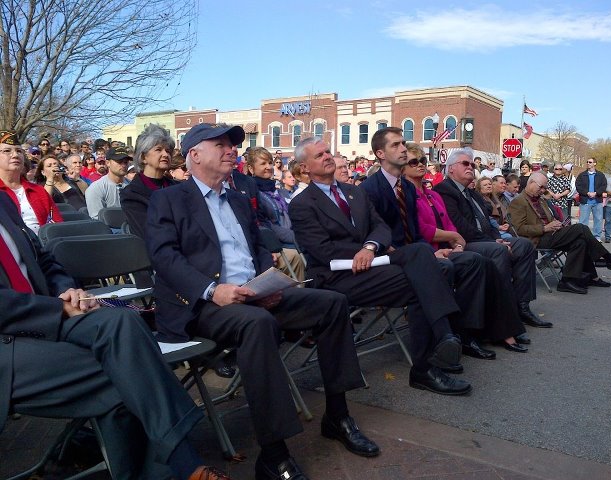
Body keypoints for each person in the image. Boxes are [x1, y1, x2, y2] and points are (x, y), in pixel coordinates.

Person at [146, 124, 379, 480]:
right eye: (220, 144)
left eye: (232, 146)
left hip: (252, 295)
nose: (230, 150)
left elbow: (257, 245)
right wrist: (213, 289)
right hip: (204, 304)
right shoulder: (169, 200)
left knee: (332, 302)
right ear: (194, 155)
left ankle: (337, 415)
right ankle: (274, 455)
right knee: (258, 324)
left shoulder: (237, 198)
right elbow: (164, 258)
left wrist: (263, 283)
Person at [0, 191, 230, 480]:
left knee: (122, 323)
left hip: (45, 317)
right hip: (8, 343)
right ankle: (184, 463)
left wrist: (67, 291)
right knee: (125, 373)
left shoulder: (3, 201)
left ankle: (167, 461)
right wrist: (55, 308)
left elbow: (45, 261)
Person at [289, 136, 473, 393]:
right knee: (427, 277)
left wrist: (369, 247)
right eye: (319, 155)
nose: (328, 157)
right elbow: (323, 251)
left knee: (422, 256)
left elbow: (380, 227)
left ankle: (439, 346)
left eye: (328, 152)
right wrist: (363, 252)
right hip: (337, 275)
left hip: (372, 262)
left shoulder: (354, 192)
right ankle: (436, 350)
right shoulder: (302, 203)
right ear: (304, 168)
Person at [402, 143, 527, 353]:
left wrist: (458, 244)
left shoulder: (432, 194)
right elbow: (420, 228)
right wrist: (455, 238)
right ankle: (471, 333)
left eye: (423, 161)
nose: (421, 165)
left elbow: (451, 224)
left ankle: (507, 320)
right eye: (413, 162)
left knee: (493, 257)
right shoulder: (406, 194)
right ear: (401, 167)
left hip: (448, 247)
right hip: (425, 251)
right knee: (480, 260)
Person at [433, 148, 551, 328]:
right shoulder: (444, 190)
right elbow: (459, 226)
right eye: (465, 164)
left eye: (472, 164)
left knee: (524, 245)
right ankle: (501, 317)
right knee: (498, 250)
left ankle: (521, 305)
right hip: (465, 243)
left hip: (486, 239)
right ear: (450, 169)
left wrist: (497, 237)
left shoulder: (471, 192)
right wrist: (493, 241)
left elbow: (488, 221)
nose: (471, 167)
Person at [509, 172, 611, 294]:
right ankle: (609, 259)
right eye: (541, 187)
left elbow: (548, 217)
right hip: (538, 238)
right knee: (580, 228)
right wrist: (544, 228)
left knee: (580, 242)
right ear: (531, 183)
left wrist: (555, 223)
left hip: (551, 234)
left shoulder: (540, 199)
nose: (543, 190)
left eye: (545, 188)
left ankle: (569, 280)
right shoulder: (518, 201)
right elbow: (519, 229)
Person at [245, 147, 305, 281]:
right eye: (263, 163)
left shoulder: (278, 191)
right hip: (280, 241)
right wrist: (296, 236)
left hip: (292, 235)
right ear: (251, 168)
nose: (269, 167)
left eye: (270, 162)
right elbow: (268, 225)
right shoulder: (255, 193)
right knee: (299, 254)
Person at [120, 124, 178, 238]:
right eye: (158, 149)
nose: (165, 154)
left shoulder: (179, 188)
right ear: (143, 157)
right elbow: (150, 233)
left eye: (168, 151)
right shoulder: (131, 194)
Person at [0, 131, 62, 234]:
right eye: (7, 151)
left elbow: (58, 225)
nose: (15, 155)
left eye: (19, 151)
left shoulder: (38, 191)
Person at [85, 146, 131, 219]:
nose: (123, 165)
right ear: (108, 163)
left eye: (125, 162)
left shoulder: (132, 186)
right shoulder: (95, 189)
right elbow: (98, 220)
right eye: (119, 161)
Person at [576, 157, 607, 240]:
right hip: (585, 201)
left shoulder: (600, 175)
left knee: (598, 220)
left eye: (590, 162)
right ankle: (582, 237)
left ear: (594, 164)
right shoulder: (582, 175)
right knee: (583, 221)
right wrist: (587, 193)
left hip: (597, 201)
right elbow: (578, 186)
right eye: (587, 162)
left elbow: (604, 186)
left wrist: (596, 193)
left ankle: (597, 236)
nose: (588, 163)